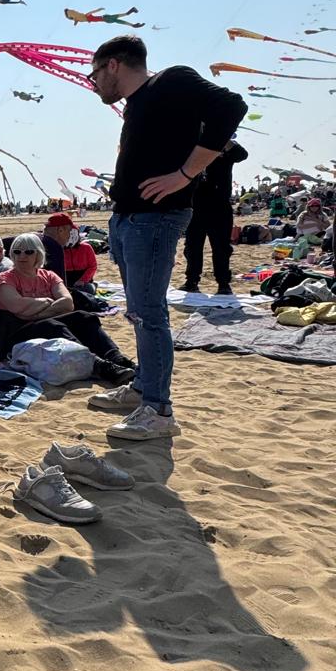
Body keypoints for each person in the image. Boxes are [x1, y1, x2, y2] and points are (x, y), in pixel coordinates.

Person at [87, 34, 246, 440]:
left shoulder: (171, 81)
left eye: (95, 73)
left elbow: (232, 107)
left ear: (113, 65)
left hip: (155, 220)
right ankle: (144, 387)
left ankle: (158, 410)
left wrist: (186, 174)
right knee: (138, 312)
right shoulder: (140, 103)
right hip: (129, 220)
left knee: (150, 313)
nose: (94, 83)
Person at [0, 234, 132, 376]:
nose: (21, 256)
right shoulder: (6, 278)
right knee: (52, 326)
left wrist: (33, 312)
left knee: (84, 317)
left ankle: (116, 358)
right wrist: (45, 301)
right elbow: (16, 306)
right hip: (17, 332)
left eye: (28, 252)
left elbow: (68, 303)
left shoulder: (48, 276)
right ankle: (98, 363)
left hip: (38, 322)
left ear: (38, 254)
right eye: (17, 252)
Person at [181, 140, 248, 295]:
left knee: (221, 248)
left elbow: (242, 154)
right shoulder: (192, 153)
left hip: (219, 207)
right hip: (195, 208)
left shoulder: (224, 152)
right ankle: (191, 281)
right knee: (192, 246)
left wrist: (222, 137)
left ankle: (223, 283)